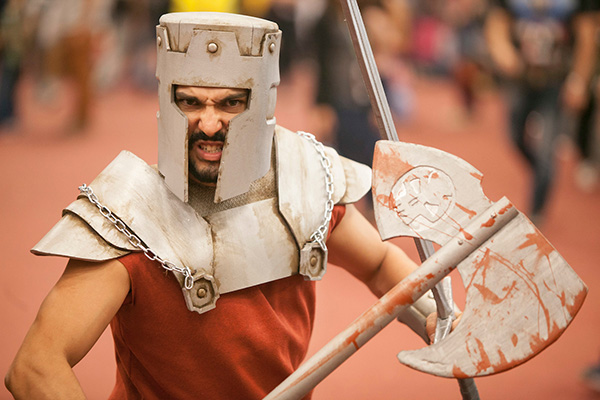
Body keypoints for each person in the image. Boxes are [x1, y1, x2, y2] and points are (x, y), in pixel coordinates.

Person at [5, 12, 436, 399]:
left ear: (262, 104)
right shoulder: (131, 217)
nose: (209, 124)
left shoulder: (302, 183)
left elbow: (380, 265)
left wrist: (436, 316)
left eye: (231, 103)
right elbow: (36, 367)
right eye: (190, 102)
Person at [484, 0, 599, 223]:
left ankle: (536, 211)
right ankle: (541, 173)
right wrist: (503, 53)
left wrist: (580, 80)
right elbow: (496, 26)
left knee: (547, 148)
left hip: (555, 82)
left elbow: (587, 37)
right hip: (522, 80)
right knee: (515, 137)